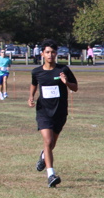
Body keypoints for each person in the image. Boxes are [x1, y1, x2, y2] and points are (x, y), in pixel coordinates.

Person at [28, 38, 78, 188]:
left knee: (52, 143)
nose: (50, 55)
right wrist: (31, 97)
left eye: (53, 52)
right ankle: (51, 175)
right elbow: (34, 84)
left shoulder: (63, 70)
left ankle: (44, 155)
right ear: (42, 54)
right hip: (43, 111)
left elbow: (75, 87)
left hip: (60, 112)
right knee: (48, 141)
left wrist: (66, 82)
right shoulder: (36, 72)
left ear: (56, 54)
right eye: (48, 52)